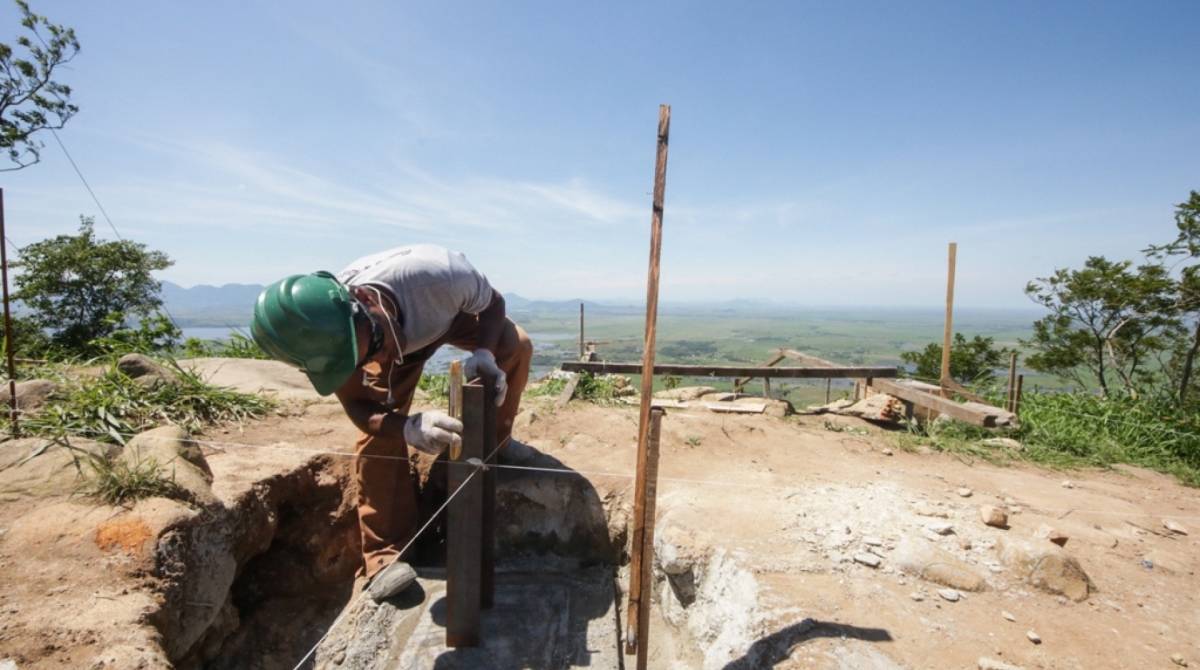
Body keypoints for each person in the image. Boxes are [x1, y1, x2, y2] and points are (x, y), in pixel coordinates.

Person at [250, 244, 534, 601]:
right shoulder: (333, 344)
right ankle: (385, 556)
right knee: (379, 439)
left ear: (365, 304)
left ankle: (495, 444)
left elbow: (493, 305)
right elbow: (358, 406)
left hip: (445, 316)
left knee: (517, 344)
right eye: (353, 361)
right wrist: (406, 427)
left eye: (370, 348)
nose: (374, 360)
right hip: (397, 328)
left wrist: (484, 353)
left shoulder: (440, 276)